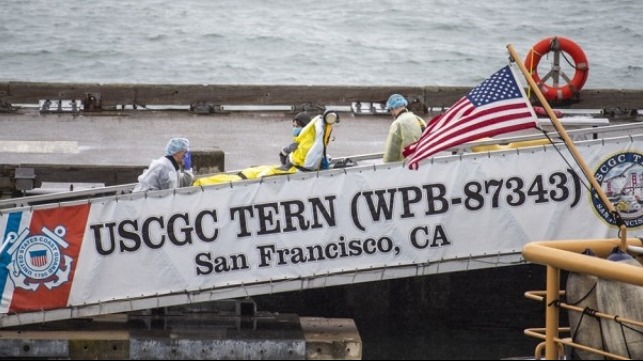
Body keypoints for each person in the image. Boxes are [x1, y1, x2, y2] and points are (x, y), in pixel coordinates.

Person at [382, 94, 427, 163]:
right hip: (424, 163)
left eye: (389, 110)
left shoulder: (398, 123)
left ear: (392, 108)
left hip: (407, 166)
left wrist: (385, 167)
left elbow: (391, 152)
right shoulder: (420, 120)